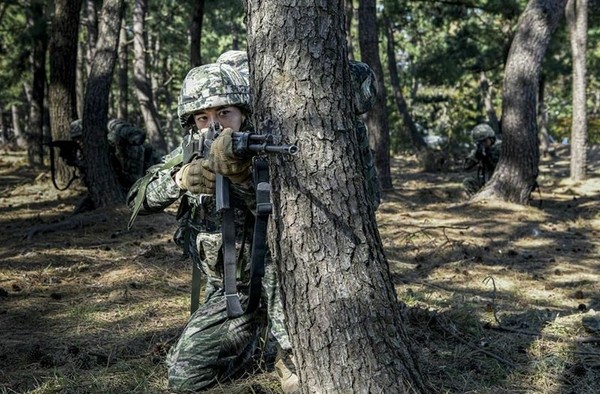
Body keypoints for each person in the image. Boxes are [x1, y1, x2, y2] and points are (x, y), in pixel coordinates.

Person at [126, 62, 297, 393]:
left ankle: (286, 352)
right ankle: (251, 344)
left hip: (270, 290)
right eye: (203, 117)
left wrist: (242, 176)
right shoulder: (190, 149)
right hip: (224, 291)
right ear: (191, 122)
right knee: (181, 373)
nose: (213, 126)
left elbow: (284, 221)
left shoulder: (259, 149)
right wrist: (180, 179)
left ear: (243, 113)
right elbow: (138, 199)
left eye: (224, 113)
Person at [68, 118, 158, 212]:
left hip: (147, 172)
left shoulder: (110, 127)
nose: (79, 142)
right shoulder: (86, 152)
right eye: (76, 139)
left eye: (80, 137)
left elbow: (137, 135)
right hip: (121, 184)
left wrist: (110, 142)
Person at [462, 123, 501, 198]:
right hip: (485, 180)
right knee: (468, 182)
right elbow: (465, 166)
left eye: (484, 141)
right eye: (479, 142)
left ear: (491, 138)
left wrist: (489, 155)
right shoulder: (480, 149)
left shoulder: (500, 147)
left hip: (498, 180)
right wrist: (477, 155)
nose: (482, 144)